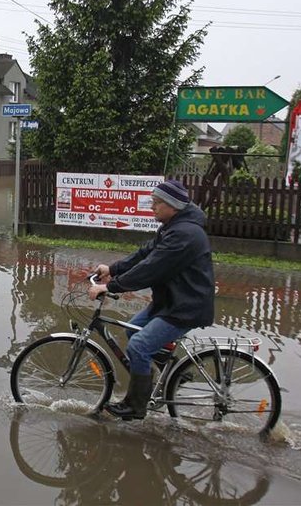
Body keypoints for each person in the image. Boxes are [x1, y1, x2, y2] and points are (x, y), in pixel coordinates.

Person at [88, 179, 215, 420]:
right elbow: (146, 253)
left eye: (157, 203)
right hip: (170, 301)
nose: (151, 207)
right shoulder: (173, 227)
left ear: (173, 206)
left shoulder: (184, 234)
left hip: (185, 307)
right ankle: (175, 371)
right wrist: (112, 269)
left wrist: (110, 287)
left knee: (139, 346)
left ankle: (135, 406)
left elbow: (151, 268)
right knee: (133, 332)